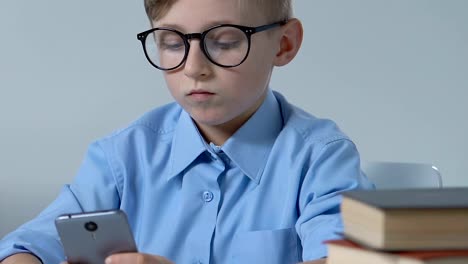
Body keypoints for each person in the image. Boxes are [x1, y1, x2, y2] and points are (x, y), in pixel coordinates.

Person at [0, 0, 374, 263]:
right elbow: (28, 245)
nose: (194, 67)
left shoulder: (321, 157)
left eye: (225, 41)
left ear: (284, 43)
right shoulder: (120, 157)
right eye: (172, 43)